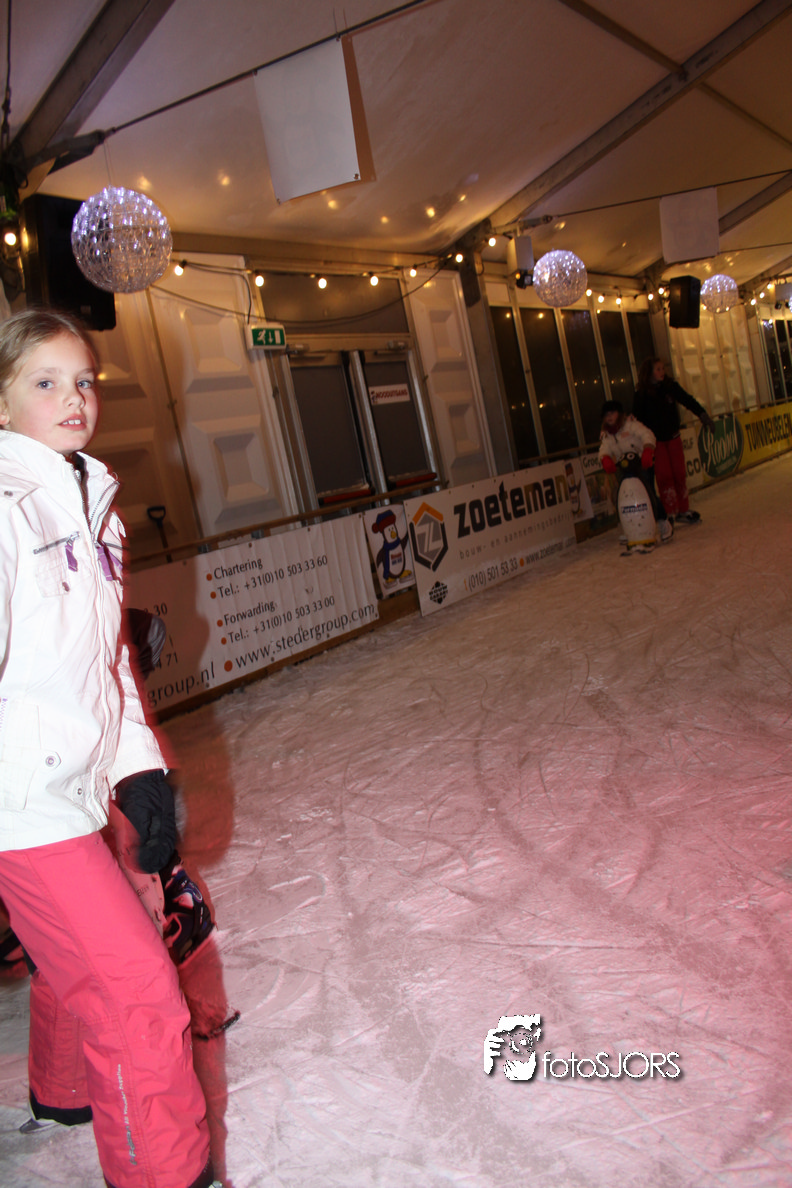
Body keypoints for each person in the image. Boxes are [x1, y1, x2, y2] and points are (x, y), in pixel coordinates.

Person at [0, 309, 220, 1188]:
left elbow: (109, 662)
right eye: (45, 381)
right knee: (135, 996)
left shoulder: (92, 503)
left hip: (75, 779)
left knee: (92, 947)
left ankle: (64, 1092)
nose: (75, 398)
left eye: (84, 380)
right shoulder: (7, 509)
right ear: (1, 403)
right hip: (20, 803)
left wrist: (138, 770)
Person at [632, 357, 715, 524]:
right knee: (665, 477)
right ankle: (670, 511)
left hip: (673, 437)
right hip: (656, 442)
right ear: (649, 372)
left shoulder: (670, 387)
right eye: (658, 369)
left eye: (663, 368)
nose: (662, 372)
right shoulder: (642, 394)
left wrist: (702, 414)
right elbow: (637, 419)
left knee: (679, 474)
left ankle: (683, 509)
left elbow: (687, 400)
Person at [598, 399, 672, 543]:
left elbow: (647, 435)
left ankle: (663, 523)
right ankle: (630, 528)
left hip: (642, 464)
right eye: (606, 415)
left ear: (619, 413)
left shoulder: (631, 425)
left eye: (612, 413)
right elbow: (604, 448)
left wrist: (648, 450)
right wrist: (605, 458)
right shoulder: (607, 434)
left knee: (648, 493)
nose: (609, 417)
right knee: (623, 496)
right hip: (624, 468)